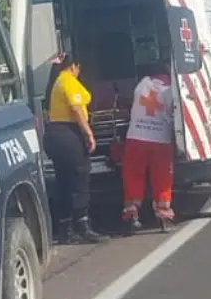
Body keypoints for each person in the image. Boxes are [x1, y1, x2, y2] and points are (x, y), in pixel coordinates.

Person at [43, 53, 109, 244]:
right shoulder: (69, 81)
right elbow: (77, 109)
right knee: (80, 178)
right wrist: (88, 133)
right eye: (79, 69)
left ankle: (65, 228)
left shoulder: (57, 81)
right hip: (68, 134)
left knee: (63, 180)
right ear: (75, 66)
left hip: (55, 134)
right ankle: (82, 226)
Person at [120, 61, 177, 233]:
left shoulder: (142, 84)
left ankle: (132, 215)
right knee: (162, 179)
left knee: (133, 176)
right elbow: (174, 112)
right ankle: (164, 216)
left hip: (135, 137)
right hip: (160, 139)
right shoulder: (171, 89)